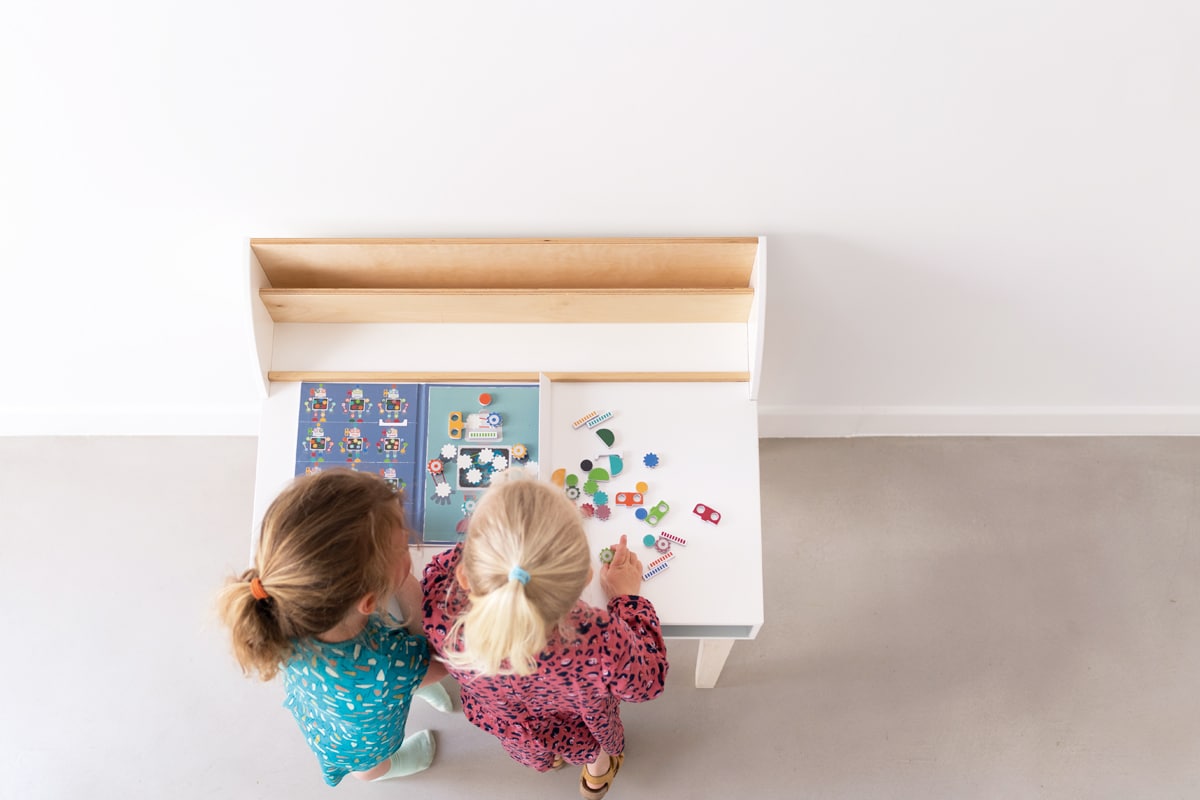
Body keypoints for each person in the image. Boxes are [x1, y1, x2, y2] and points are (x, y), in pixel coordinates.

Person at [422, 469, 668, 799]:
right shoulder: (597, 639)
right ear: (586, 579)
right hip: (579, 724)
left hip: (507, 720)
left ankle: (548, 762)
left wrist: (501, 542)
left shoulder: (440, 601)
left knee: (534, 750)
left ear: (465, 575)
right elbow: (648, 682)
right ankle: (596, 776)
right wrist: (628, 599)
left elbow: (451, 563)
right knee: (593, 750)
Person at [217, 469, 454, 786]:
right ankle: (380, 772)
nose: (409, 544)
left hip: (326, 708)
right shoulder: (392, 663)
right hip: (361, 740)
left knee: (407, 678)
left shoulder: (284, 611)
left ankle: (411, 687)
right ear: (368, 602)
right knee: (369, 765)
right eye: (403, 548)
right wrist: (404, 582)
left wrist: (387, 572)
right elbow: (439, 664)